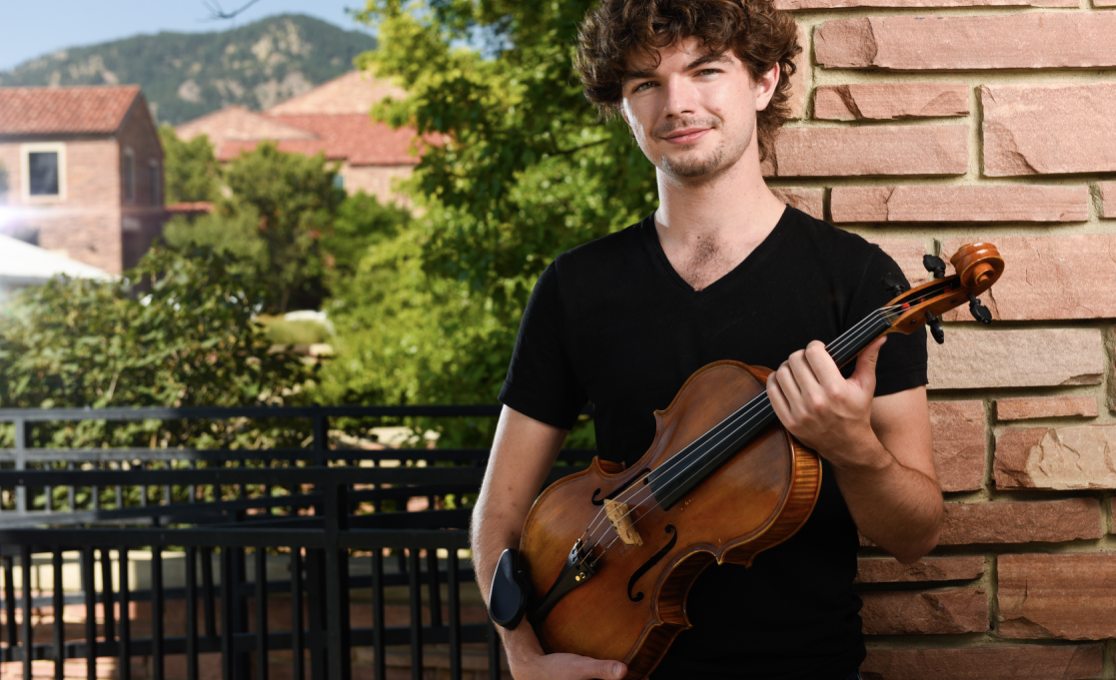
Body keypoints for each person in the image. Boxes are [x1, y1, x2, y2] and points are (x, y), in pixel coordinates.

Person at [470, 0, 944, 678]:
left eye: (706, 71)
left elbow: (917, 535)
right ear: (624, 106)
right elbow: (499, 515)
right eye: (645, 83)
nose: (676, 102)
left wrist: (854, 449)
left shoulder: (860, 280)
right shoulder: (574, 287)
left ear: (765, 81)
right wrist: (523, 658)